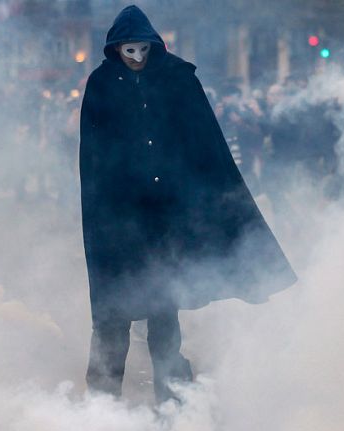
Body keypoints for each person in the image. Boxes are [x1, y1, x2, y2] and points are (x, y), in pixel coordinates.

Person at [79, 5, 296, 404]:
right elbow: (91, 157)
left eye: (143, 50)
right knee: (111, 315)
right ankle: (101, 406)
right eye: (130, 50)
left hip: (165, 218)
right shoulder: (101, 84)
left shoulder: (178, 79)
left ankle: (174, 401)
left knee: (163, 310)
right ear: (116, 49)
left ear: (153, 46)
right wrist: (102, 213)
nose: (138, 58)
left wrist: (201, 203)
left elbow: (205, 147)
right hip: (117, 220)